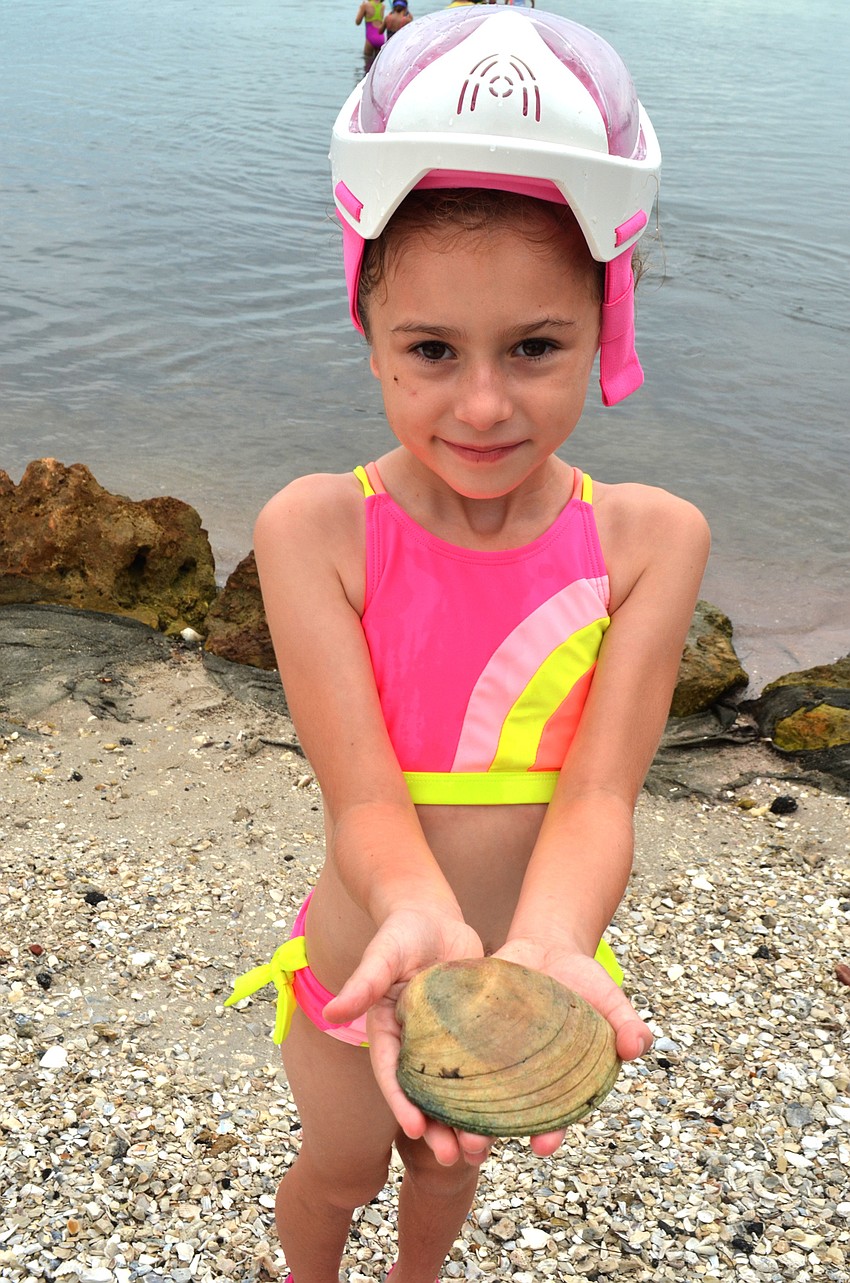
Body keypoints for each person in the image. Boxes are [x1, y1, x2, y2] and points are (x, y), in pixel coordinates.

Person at [227, 8, 710, 1281]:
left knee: (449, 1173)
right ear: (367, 325)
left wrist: (542, 948)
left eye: (536, 347)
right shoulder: (317, 526)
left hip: (522, 973)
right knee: (336, 1167)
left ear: (605, 326)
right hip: (357, 959)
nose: (484, 403)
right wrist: (420, 915)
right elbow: (364, 795)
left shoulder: (649, 542)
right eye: (432, 350)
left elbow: (600, 793)